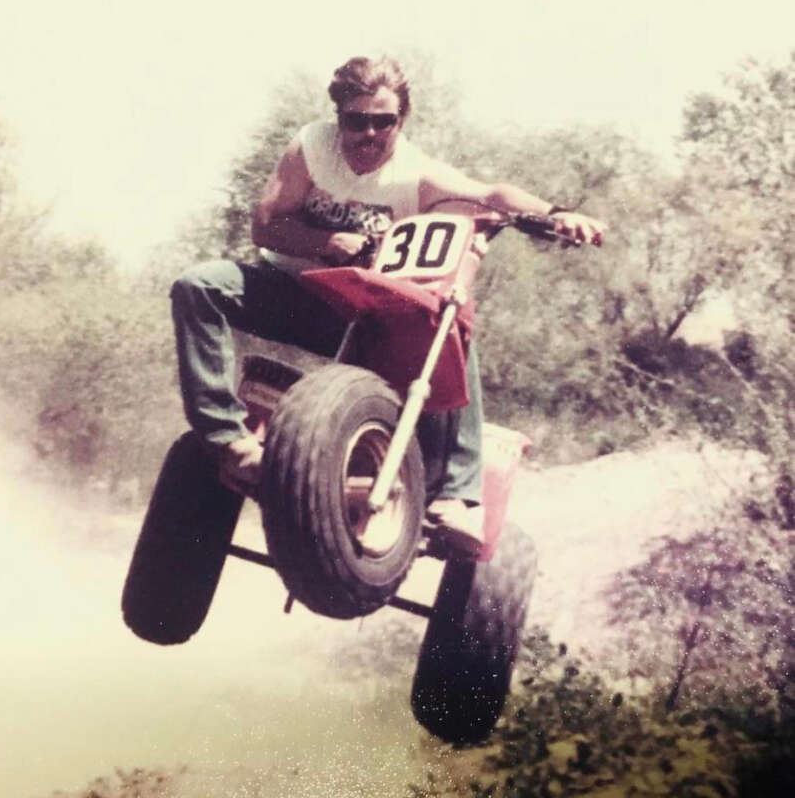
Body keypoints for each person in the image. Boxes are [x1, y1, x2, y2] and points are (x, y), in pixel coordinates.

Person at [170, 56, 606, 555]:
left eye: (384, 121)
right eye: (357, 120)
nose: (370, 133)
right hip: (291, 290)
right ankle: (230, 441)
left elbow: (492, 193)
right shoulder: (311, 149)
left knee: (447, 323)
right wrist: (327, 240)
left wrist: (557, 214)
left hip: (356, 317)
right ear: (339, 117)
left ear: (402, 120)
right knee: (198, 285)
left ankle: (457, 496)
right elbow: (265, 226)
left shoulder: (414, 173)